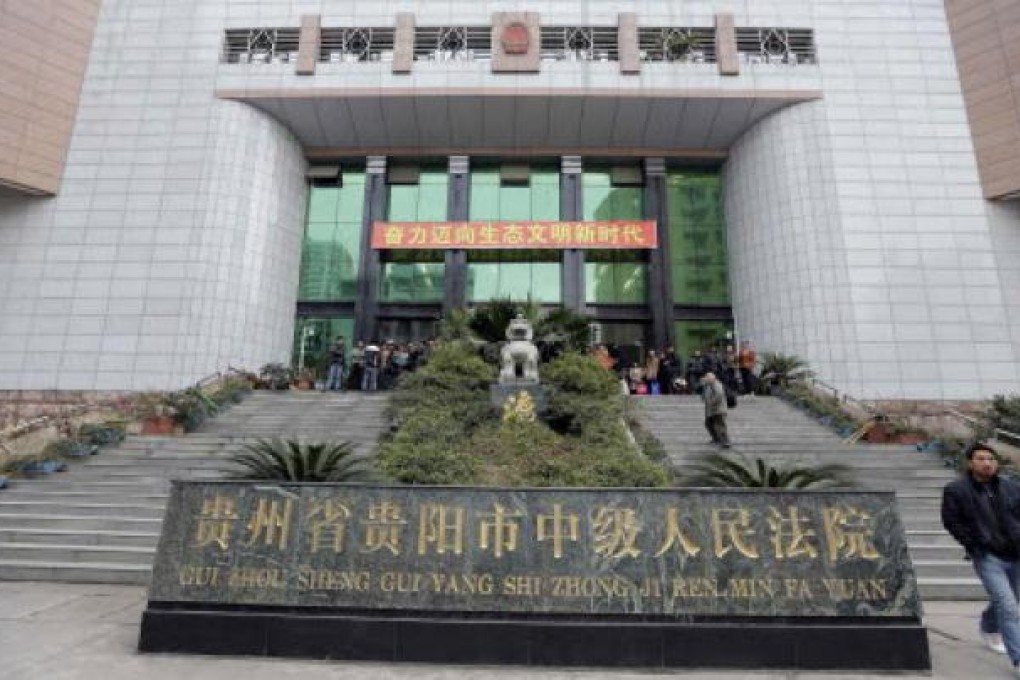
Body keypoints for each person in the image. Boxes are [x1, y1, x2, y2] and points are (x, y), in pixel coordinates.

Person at [942, 443, 1020, 669]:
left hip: (1015, 553)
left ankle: (988, 625)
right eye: (981, 459)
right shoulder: (956, 490)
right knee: (1008, 605)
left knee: (1009, 600)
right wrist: (973, 544)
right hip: (987, 556)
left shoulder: (1011, 487)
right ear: (970, 463)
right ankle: (1018, 657)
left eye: (991, 459)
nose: (987, 463)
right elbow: (951, 521)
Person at [700, 372, 730, 448]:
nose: (706, 379)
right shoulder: (708, 386)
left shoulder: (717, 385)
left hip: (719, 409)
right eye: (706, 378)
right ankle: (716, 438)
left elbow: (719, 395)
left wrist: (711, 402)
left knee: (720, 426)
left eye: (707, 378)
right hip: (711, 410)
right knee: (708, 424)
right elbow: (703, 396)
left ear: (712, 378)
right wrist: (703, 387)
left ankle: (725, 441)